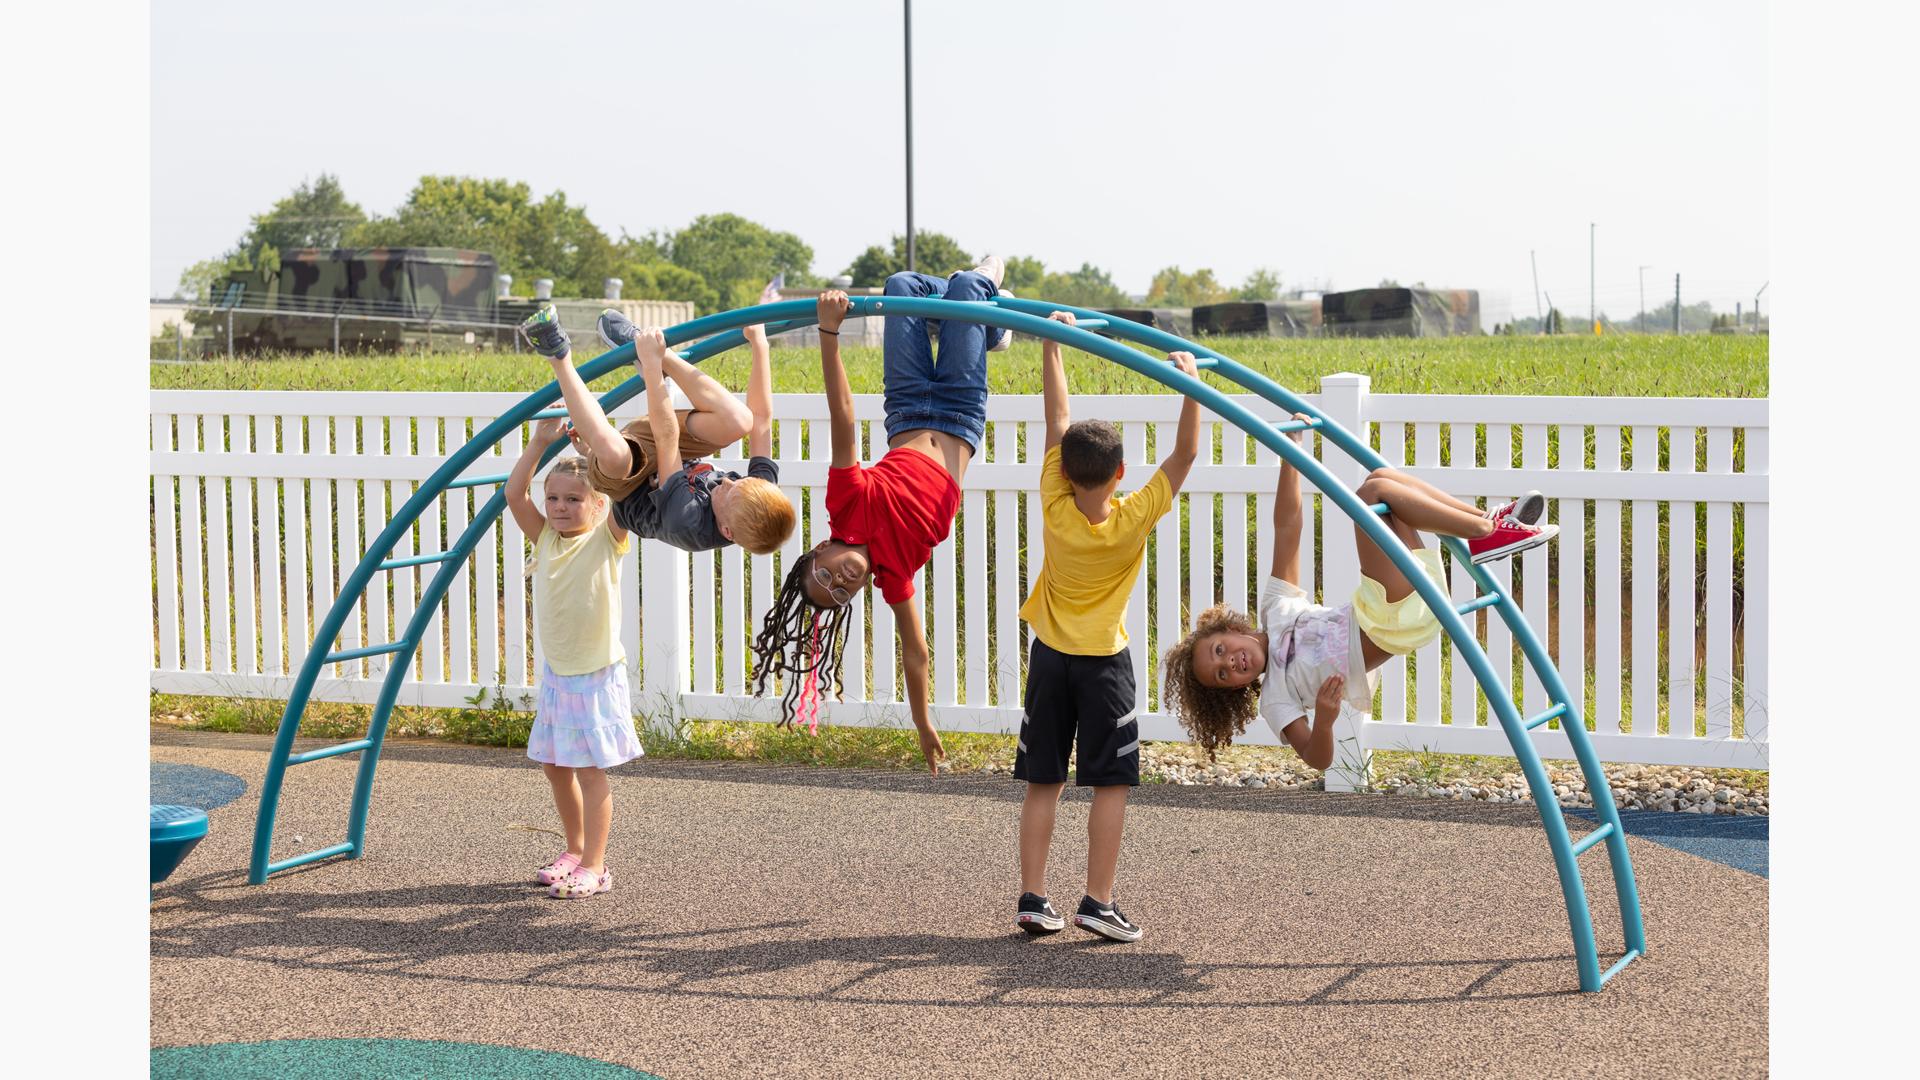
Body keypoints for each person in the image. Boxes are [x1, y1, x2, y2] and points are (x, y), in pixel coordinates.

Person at [1161, 416, 1555, 767]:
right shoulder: (1276, 699)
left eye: (1219, 651)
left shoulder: (1276, 609)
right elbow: (1317, 759)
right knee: (1369, 498)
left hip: (1396, 603)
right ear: (1234, 691)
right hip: (1388, 622)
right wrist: (1325, 719)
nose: (1231, 663)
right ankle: (1485, 533)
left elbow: (1287, 529)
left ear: (1229, 629)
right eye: (1223, 675)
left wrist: (1291, 456)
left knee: (1381, 480)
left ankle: (1488, 524)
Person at [750, 258, 1009, 774]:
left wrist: (829, 332)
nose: (841, 580)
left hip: (909, 406)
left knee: (901, 287)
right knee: (965, 286)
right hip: (960, 410)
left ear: (821, 548)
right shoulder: (896, 574)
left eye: (825, 574)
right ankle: (981, 318)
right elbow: (917, 653)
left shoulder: (845, 505)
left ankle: (972, 318)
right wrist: (922, 722)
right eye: (841, 592)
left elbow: (842, 416)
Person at [1013, 313, 1203, 943]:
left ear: (1065, 473)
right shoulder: (1132, 517)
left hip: (1049, 657)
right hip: (1103, 664)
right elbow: (1185, 456)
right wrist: (1189, 385)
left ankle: (1033, 898)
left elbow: (1056, 421)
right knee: (1110, 781)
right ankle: (1097, 901)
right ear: (1120, 473)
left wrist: (1053, 346)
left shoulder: (1054, 502)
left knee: (1045, 779)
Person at [519, 304, 794, 555]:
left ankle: (557, 353)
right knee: (741, 421)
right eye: (741, 481)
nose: (728, 481)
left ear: (727, 531)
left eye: (730, 492)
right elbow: (761, 419)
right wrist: (759, 344)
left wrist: (651, 369)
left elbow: (667, 439)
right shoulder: (762, 494)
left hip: (628, 481)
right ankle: (661, 354)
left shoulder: (686, 522)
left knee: (615, 455)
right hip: (670, 450)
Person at [504, 420, 642, 899]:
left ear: (597, 503)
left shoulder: (608, 538)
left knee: (589, 768)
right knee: (555, 767)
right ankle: (574, 849)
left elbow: (625, 493)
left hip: (597, 674)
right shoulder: (544, 538)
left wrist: (593, 453)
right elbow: (514, 494)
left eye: (574, 499)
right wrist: (540, 442)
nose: (561, 508)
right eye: (555, 499)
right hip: (559, 674)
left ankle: (597, 866)